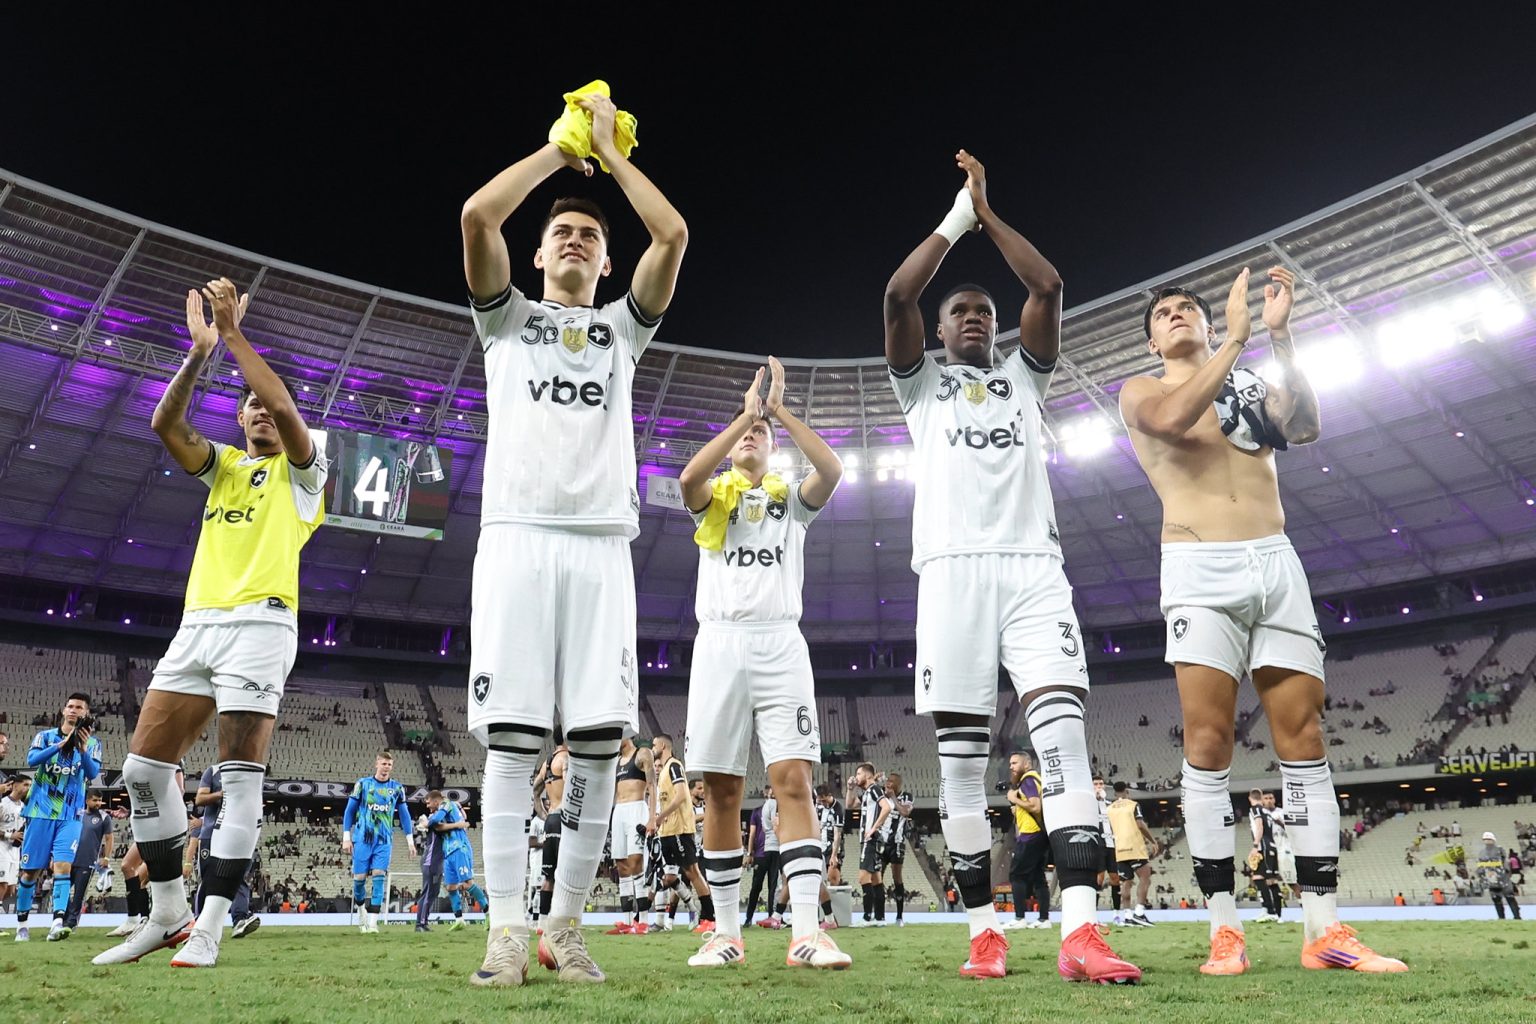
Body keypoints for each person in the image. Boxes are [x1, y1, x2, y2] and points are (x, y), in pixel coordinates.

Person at [883, 150, 1138, 983]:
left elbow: (1049, 287)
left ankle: (1080, 933)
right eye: (959, 310)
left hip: (1033, 569)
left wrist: (987, 215)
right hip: (951, 573)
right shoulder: (921, 390)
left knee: (1063, 738)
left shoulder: (1026, 381)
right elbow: (897, 297)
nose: (972, 318)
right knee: (960, 763)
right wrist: (953, 223)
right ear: (940, 330)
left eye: (983, 312)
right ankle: (983, 936)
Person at [459, 86, 686, 987]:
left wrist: (611, 157)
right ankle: (506, 934)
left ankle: (564, 927)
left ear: (605, 259)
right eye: (562, 232)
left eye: (590, 235)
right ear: (539, 251)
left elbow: (672, 236)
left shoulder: (621, 332)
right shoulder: (506, 320)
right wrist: (562, 150)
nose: (576, 241)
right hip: (517, 539)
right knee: (515, 744)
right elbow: (478, 216)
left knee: (595, 747)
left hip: (599, 547)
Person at [1120, 267, 1405, 975]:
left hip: (1275, 560)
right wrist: (1235, 342)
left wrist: (1280, 339)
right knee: (1208, 742)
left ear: (1206, 321)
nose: (1176, 315)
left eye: (1187, 307)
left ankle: (1324, 929)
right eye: (1163, 313)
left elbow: (1304, 426)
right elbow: (1174, 421)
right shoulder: (1142, 390)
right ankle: (1225, 930)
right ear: (1152, 340)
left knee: (1303, 738)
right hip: (1198, 566)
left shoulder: (1246, 382)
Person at [94, 278, 327, 969]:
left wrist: (233, 335)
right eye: (250, 403)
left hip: (261, 626)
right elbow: (165, 425)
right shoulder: (222, 465)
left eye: (269, 406)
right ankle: (169, 914)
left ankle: (212, 926)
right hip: (198, 624)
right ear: (238, 415)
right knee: (142, 770)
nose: (262, 410)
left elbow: (283, 403)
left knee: (240, 779)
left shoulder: (305, 474)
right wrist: (200, 352)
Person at [676, 359, 848, 969]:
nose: (752, 436)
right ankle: (726, 933)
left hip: (780, 643)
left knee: (793, 780)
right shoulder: (713, 500)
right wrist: (744, 417)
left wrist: (777, 413)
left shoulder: (790, 502)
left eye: (761, 435)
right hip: (720, 644)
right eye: (745, 433)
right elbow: (688, 478)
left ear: (775, 449)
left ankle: (807, 932)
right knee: (722, 789)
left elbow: (833, 469)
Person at [17, 692, 101, 942]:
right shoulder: (44, 737)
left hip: (71, 813)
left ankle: (57, 923)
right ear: (64, 711)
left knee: (63, 866)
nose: (74, 710)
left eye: (79, 707)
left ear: (86, 714)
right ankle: (22, 925)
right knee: (30, 872)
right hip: (40, 811)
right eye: (70, 706)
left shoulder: (93, 743)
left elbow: (92, 773)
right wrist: (60, 745)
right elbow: (32, 760)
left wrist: (82, 750)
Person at [342, 752, 417, 934]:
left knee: (379, 876)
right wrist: (346, 837)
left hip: (384, 840)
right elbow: (349, 811)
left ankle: (373, 923)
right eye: (384, 763)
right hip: (362, 839)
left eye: (389, 764)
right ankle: (361, 911)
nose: (386, 767)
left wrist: (410, 841)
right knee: (359, 880)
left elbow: (405, 815)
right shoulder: (363, 784)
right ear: (377, 764)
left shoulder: (397, 788)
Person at [649, 735, 716, 938]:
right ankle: (691, 911)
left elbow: (680, 796)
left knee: (692, 872)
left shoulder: (674, 766)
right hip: (667, 831)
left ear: (663, 746)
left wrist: (660, 817)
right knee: (670, 878)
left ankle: (709, 917)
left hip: (680, 829)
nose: (652, 748)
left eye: (654, 745)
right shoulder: (663, 771)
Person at [193, 765, 261, 939]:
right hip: (211, 833)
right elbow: (199, 799)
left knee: (238, 876)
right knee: (207, 878)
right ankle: (200, 923)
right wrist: (222, 794)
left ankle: (240, 920)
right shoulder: (213, 771)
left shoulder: (246, 773)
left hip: (234, 834)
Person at [606, 736, 654, 934]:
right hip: (619, 811)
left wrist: (652, 818)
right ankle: (626, 921)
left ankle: (643, 921)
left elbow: (652, 785)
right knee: (622, 865)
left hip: (636, 809)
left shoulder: (642, 754)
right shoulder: (616, 761)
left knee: (635, 863)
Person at [1004, 751, 1050, 931]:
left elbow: (1035, 806)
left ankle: (1020, 917)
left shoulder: (1028, 780)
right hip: (1039, 835)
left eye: (1015, 763)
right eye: (1010, 763)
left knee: (1016, 875)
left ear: (1027, 764)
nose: (1011, 767)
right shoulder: (1036, 780)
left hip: (1030, 835)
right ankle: (1044, 919)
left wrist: (1014, 799)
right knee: (1038, 877)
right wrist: (1018, 808)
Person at [426, 791, 485, 930]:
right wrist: (457, 824)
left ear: (436, 801)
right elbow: (460, 818)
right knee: (451, 887)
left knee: (467, 883)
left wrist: (428, 822)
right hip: (448, 851)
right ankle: (459, 920)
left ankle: (489, 914)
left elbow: (435, 821)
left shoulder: (446, 804)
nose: (428, 806)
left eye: (429, 803)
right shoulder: (452, 806)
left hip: (459, 847)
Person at [61, 790, 117, 932]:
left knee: (79, 895)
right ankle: (64, 918)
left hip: (88, 861)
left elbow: (109, 838)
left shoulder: (104, 817)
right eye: (95, 800)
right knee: (62, 889)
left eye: (100, 800)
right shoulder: (76, 813)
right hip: (68, 859)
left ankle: (71, 923)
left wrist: (106, 858)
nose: (98, 803)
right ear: (87, 801)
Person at [1107, 782, 1159, 927]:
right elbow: (1140, 825)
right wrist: (1153, 841)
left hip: (1119, 849)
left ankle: (1128, 916)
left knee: (1126, 882)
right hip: (1134, 847)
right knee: (1145, 877)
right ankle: (1139, 913)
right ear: (1127, 791)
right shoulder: (1133, 805)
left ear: (1114, 793)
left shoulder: (1109, 809)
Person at [851, 764, 892, 926]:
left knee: (863, 878)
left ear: (868, 776)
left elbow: (886, 807)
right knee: (876, 879)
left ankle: (867, 917)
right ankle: (880, 918)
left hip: (871, 839)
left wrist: (874, 828)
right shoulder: (867, 792)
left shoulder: (874, 789)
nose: (856, 776)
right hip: (871, 839)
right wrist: (850, 789)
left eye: (859, 773)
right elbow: (850, 804)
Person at [743, 785, 782, 926]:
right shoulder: (758, 811)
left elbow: (753, 833)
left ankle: (767, 917)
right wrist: (749, 853)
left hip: (767, 851)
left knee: (768, 886)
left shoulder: (762, 810)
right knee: (761, 886)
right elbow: (752, 833)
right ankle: (751, 918)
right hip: (764, 851)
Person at [880, 774, 915, 925]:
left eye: (891, 781)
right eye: (887, 781)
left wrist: (893, 797)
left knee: (897, 878)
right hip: (882, 842)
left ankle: (899, 916)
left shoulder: (907, 797)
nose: (888, 783)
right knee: (877, 878)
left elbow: (905, 812)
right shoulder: (881, 795)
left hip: (897, 843)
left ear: (898, 784)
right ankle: (879, 916)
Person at [1092, 776, 1121, 915]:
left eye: (1101, 784)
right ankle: (1093, 913)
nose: (1099, 786)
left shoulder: (1110, 804)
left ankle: (1116, 913)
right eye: (1096, 784)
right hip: (1097, 844)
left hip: (1111, 844)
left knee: (1115, 877)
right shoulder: (1088, 803)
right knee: (1099, 877)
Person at [1476, 832, 1521, 920]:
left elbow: (1505, 863)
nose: (1487, 841)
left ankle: (1517, 916)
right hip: (1491, 879)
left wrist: (1506, 873)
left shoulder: (1500, 850)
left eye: (1489, 839)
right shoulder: (1481, 852)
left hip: (1503, 878)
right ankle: (1501, 918)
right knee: (1496, 899)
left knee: (1510, 898)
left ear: (1493, 840)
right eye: (1485, 840)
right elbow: (1480, 866)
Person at [414, 802, 443, 933]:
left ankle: (424, 922)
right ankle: (420, 924)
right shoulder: (434, 821)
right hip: (430, 862)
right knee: (428, 892)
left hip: (437, 862)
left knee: (434, 892)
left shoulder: (437, 821)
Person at [0, 775, 26, 922]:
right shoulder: (2, 804)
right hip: (1, 848)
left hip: (15, 851)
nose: (28, 788)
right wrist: (10, 835)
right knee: (2, 885)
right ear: (15, 785)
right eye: (25, 785)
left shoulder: (24, 807)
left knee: (10, 889)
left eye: (29, 785)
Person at [817, 785, 845, 889]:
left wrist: (834, 855)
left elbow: (837, 834)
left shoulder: (838, 809)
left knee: (832, 878)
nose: (823, 803)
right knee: (820, 880)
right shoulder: (820, 808)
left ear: (829, 795)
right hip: (821, 847)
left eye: (824, 800)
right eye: (821, 801)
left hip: (832, 849)